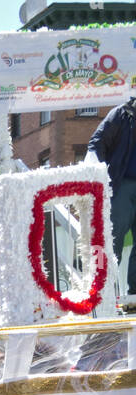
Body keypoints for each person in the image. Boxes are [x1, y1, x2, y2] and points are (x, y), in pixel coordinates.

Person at [87, 97, 136, 300]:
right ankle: (108, 291)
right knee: (113, 237)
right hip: (121, 185)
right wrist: (101, 178)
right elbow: (96, 143)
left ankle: (134, 292)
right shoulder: (121, 114)